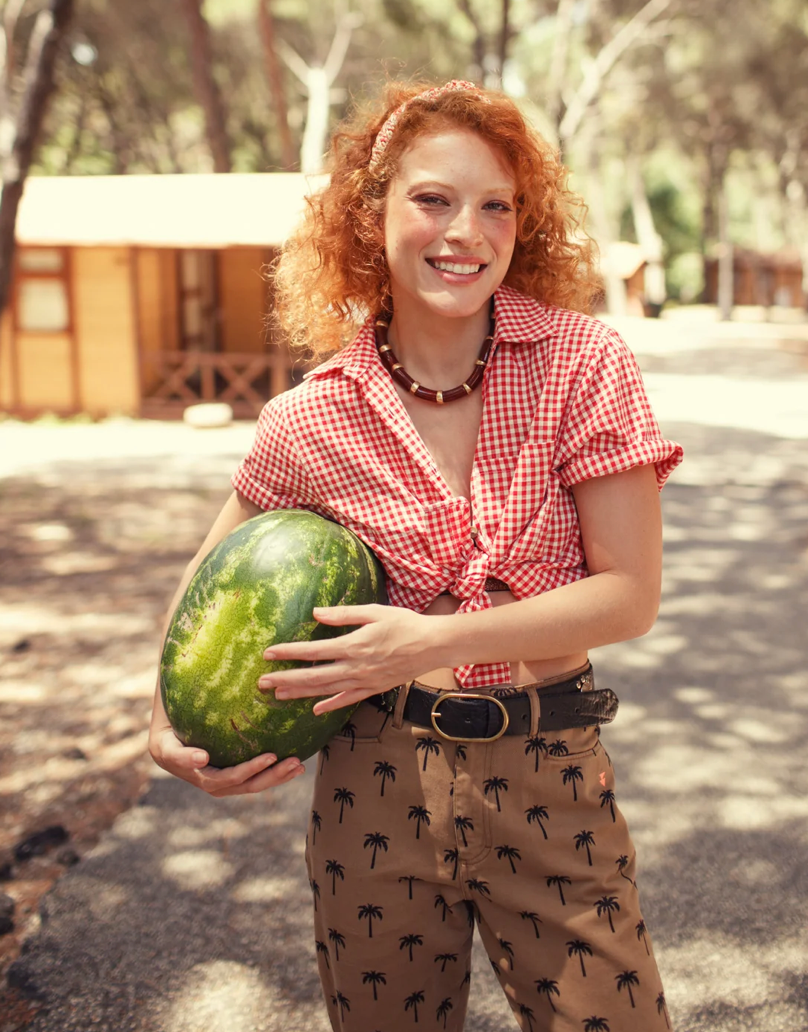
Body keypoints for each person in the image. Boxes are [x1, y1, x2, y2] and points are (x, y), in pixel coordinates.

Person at [149, 78, 683, 1032]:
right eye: (433, 198)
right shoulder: (313, 415)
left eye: (496, 205)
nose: (465, 232)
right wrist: (163, 724)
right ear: (371, 213)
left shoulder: (584, 363)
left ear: (527, 223)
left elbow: (630, 597)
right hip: (371, 777)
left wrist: (424, 644)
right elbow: (204, 584)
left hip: (549, 760)